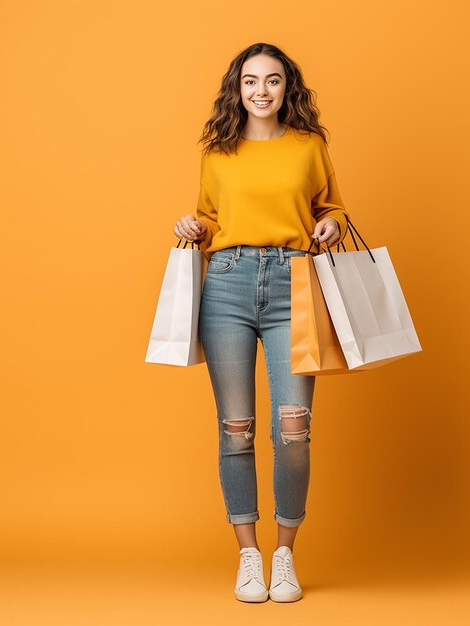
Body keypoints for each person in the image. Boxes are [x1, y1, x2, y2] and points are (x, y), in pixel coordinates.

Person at [173, 42, 349, 603]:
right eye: (250, 82)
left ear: (287, 87)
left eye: (272, 81)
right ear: (237, 89)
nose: (261, 91)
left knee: (293, 427)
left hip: (294, 283)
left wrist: (332, 228)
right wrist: (190, 226)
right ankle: (248, 554)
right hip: (225, 282)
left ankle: (284, 555)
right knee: (236, 429)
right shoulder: (217, 153)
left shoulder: (309, 147)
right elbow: (206, 217)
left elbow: (333, 208)